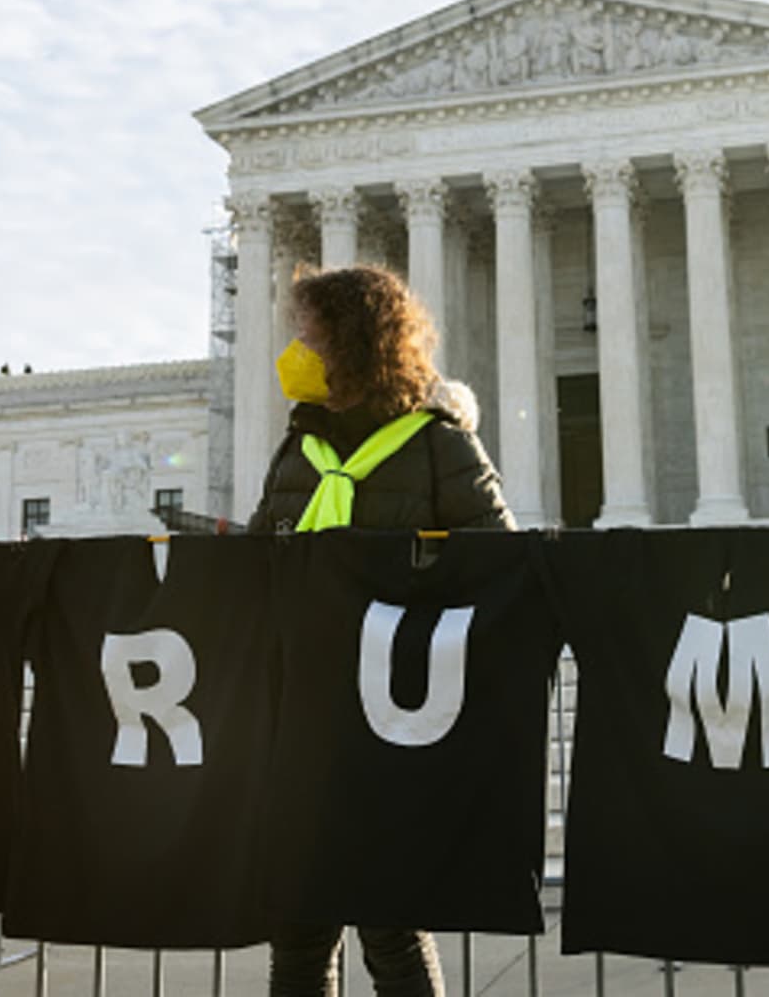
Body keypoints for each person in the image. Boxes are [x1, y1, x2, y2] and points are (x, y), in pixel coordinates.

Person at [251, 264, 515, 997]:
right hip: (303, 722)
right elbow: (253, 569)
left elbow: (504, 567)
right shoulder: (299, 450)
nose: (294, 350)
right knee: (299, 932)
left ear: (354, 343)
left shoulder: (437, 446)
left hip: (394, 720)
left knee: (390, 926)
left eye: (308, 334)